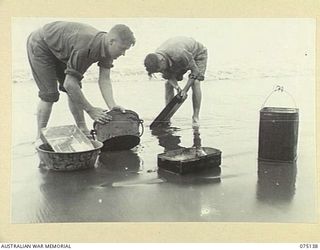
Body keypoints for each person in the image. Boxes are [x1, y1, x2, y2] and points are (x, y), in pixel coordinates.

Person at [27, 21, 135, 143]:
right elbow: (69, 84)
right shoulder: (86, 47)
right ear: (111, 41)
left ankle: (82, 129)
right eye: (122, 49)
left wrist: (112, 106)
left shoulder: (108, 49)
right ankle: (39, 137)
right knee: (50, 95)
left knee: (75, 87)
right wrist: (90, 110)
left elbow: (104, 79)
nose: (123, 54)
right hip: (41, 43)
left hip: (61, 46)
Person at [144, 36, 207, 127]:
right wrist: (177, 88)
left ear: (162, 61)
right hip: (176, 58)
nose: (161, 72)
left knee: (196, 82)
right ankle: (168, 114)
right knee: (168, 84)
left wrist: (184, 90)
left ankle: (195, 117)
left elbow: (195, 71)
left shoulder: (179, 54)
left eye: (160, 69)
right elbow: (168, 76)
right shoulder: (157, 58)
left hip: (198, 53)